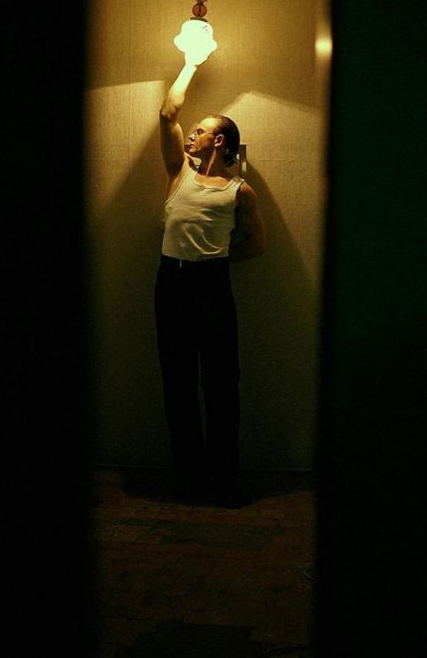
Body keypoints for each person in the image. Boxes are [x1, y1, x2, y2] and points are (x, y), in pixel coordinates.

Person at [156, 44, 266, 508]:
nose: (191, 136)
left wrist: (215, 257)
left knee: (221, 385)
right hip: (171, 284)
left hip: (211, 287)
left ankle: (224, 481)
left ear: (219, 142)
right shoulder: (179, 171)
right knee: (177, 382)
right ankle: (189, 479)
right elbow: (167, 114)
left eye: (200, 132)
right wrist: (191, 62)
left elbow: (256, 245)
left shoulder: (240, 191)